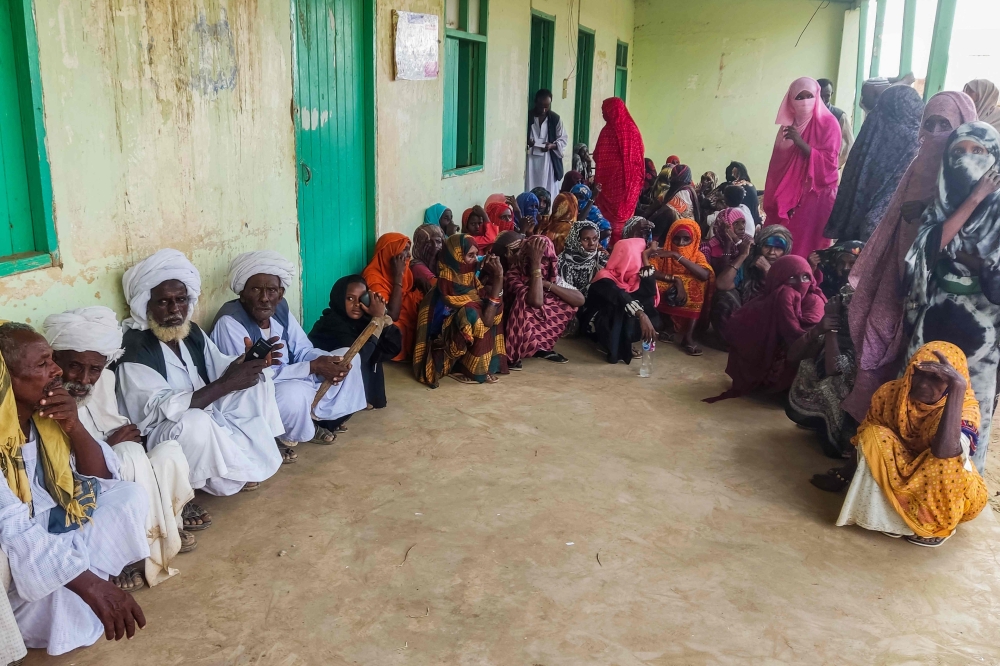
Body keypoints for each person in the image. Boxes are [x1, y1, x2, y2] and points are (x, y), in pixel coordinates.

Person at [0, 322, 148, 655]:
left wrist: (74, 425)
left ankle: (86, 574)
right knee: (58, 598)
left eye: (52, 359)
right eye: (41, 365)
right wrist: (90, 585)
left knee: (128, 495)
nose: (56, 370)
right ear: (6, 378)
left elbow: (99, 477)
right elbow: (12, 527)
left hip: (55, 527)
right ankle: (80, 582)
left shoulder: (45, 414)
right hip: (16, 549)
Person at [842, 91, 978, 425]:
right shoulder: (918, 164)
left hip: (945, 288)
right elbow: (893, 219)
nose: (934, 132)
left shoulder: (975, 176)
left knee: (924, 360)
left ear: (963, 126)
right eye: (928, 122)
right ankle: (870, 428)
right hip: (898, 271)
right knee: (878, 332)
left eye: (943, 124)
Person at [42, 307, 197, 592]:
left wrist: (121, 439)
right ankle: (128, 557)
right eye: (74, 366)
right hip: (74, 481)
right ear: (54, 360)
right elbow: (57, 465)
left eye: (95, 370)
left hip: (110, 461)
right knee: (128, 454)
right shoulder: (44, 398)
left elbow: (117, 427)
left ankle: (164, 531)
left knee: (168, 452)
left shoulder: (105, 382)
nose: (85, 379)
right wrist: (111, 446)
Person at [116, 249, 284, 496]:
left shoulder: (189, 331)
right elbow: (159, 411)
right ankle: (185, 495)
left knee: (257, 380)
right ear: (146, 305)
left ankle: (254, 455)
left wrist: (245, 363)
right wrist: (227, 383)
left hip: (205, 412)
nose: (175, 309)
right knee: (194, 421)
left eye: (181, 300)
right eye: (164, 302)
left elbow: (219, 364)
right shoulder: (135, 348)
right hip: (161, 435)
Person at [902, 121, 1000, 473]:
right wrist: (975, 199)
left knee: (972, 404)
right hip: (935, 318)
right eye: (958, 152)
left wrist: (955, 254)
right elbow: (929, 247)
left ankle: (956, 486)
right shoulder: (942, 203)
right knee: (918, 394)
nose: (966, 159)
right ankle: (906, 475)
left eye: (978, 151)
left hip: (985, 329)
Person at [836, 342, 987, 548]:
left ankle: (936, 526)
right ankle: (892, 518)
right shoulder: (890, 394)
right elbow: (865, 439)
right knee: (873, 435)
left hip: (947, 486)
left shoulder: (965, 409)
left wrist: (958, 391)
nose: (923, 384)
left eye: (936, 378)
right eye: (919, 373)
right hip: (902, 468)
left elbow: (945, 452)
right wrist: (842, 476)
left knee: (947, 460)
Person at [211, 251, 365, 449]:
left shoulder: (280, 309)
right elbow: (249, 379)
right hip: (253, 391)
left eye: (272, 291)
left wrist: (324, 362)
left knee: (347, 357)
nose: (265, 298)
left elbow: (302, 349)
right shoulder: (230, 322)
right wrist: (311, 367)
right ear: (242, 293)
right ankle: (281, 437)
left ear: (280, 294)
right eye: (256, 289)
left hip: (290, 376)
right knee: (294, 393)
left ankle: (309, 420)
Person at [705, 255, 825, 402]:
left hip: (797, 355)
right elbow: (737, 328)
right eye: (792, 278)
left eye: (806, 277)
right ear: (777, 279)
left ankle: (788, 389)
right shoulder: (767, 300)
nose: (800, 283)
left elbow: (797, 335)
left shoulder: (814, 301)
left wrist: (784, 301)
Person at [823, 85, 924, 242]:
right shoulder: (918, 139)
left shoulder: (876, 123)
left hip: (861, 208)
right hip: (890, 216)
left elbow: (854, 167)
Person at [413, 234, 507, 386]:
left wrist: (495, 280)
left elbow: (491, 313)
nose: (476, 259)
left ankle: (472, 365)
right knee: (471, 313)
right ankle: (460, 367)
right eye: (470, 255)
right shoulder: (445, 288)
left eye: (477, 254)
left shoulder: (471, 282)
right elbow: (485, 320)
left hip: (461, 341)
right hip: (442, 347)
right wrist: (499, 277)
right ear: (455, 258)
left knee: (492, 305)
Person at [763, 77, 841, 258]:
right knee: (781, 240)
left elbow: (830, 166)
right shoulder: (788, 125)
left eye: (809, 96)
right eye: (799, 97)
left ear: (817, 96)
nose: (805, 102)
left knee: (808, 246)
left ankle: (808, 282)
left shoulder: (829, 124)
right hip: (788, 195)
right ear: (790, 100)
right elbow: (777, 165)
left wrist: (800, 142)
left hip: (816, 196)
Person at [580, 238, 683, 364]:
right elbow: (620, 296)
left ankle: (624, 340)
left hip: (623, 311)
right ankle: (608, 343)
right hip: (598, 321)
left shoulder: (632, 277)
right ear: (627, 257)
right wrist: (641, 315)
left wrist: (645, 257)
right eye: (637, 257)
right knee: (621, 309)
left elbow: (650, 291)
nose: (637, 261)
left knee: (646, 302)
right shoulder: (604, 278)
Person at [785, 286, 858, 459]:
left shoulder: (861, 342)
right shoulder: (833, 330)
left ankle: (838, 441)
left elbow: (833, 369)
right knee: (808, 366)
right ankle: (819, 422)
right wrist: (819, 329)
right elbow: (792, 356)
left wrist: (832, 331)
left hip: (847, 416)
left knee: (833, 385)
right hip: (823, 393)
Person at [309, 275, 402, 410]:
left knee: (374, 346)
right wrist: (376, 320)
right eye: (350, 298)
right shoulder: (332, 323)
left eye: (362, 299)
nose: (357, 304)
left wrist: (383, 316)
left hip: (346, 370)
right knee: (366, 347)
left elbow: (393, 346)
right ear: (339, 298)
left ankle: (364, 397)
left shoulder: (361, 320)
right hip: (320, 379)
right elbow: (358, 357)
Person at [503, 236, 584, 368]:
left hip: (543, 288)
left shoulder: (552, 277)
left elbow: (579, 300)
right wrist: (535, 266)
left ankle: (541, 348)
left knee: (567, 301)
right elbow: (536, 301)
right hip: (512, 329)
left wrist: (546, 283)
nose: (541, 264)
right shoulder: (513, 275)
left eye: (544, 259)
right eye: (534, 258)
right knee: (524, 300)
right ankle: (519, 350)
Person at [710, 224, 793, 341]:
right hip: (744, 317)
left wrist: (768, 271)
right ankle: (730, 341)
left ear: (786, 251)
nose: (771, 252)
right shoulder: (750, 263)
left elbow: (785, 301)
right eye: (767, 246)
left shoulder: (790, 269)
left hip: (768, 324)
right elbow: (722, 284)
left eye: (778, 248)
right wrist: (743, 255)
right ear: (759, 246)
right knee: (724, 297)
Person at [653, 219, 712, 355]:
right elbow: (650, 271)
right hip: (670, 289)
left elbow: (704, 275)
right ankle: (668, 326)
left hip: (685, 294)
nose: (681, 243)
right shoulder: (661, 253)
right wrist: (676, 280)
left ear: (695, 239)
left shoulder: (697, 255)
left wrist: (676, 255)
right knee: (652, 283)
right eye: (677, 239)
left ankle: (688, 336)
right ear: (670, 238)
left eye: (686, 239)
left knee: (697, 284)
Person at [363, 233, 424, 363]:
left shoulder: (402, 269)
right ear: (390, 252)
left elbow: (406, 291)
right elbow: (392, 314)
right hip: (385, 315)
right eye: (404, 249)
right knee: (397, 327)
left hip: (398, 306)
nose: (408, 255)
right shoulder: (373, 277)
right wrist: (398, 278)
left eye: (409, 249)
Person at [592, 98, 646, 244]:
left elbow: (597, 155)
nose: (603, 115)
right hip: (631, 185)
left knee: (609, 217)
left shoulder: (607, 131)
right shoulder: (633, 131)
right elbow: (640, 159)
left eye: (605, 112)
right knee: (624, 217)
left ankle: (608, 245)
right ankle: (623, 244)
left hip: (609, 184)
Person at [526, 89, 568, 195]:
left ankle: (547, 210)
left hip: (548, 160)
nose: (544, 110)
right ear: (535, 102)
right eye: (541, 106)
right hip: (530, 159)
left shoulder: (555, 119)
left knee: (548, 189)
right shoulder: (528, 117)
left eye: (547, 106)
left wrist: (552, 145)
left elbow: (563, 138)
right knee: (530, 186)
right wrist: (527, 141)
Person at [558, 220, 608, 297]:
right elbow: (565, 291)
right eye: (586, 239)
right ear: (576, 240)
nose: (592, 243)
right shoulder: (563, 261)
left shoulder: (600, 257)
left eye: (595, 239)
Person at [817, 77, 855, 168]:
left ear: (831, 94)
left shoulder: (839, 116)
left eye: (826, 96)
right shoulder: (807, 114)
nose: (823, 99)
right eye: (819, 95)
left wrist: (835, 164)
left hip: (829, 168)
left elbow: (849, 144)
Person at [718, 161, 761, 227]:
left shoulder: (729, 186)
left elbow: (708, 200)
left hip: (737, 226)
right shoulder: (751, 186)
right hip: (756, 224)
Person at [571, 183, 611, 248]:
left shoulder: (593, 211)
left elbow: (607, 232)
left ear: (587, 198)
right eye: (575, 197)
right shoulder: (570, 209)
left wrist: (591, 242)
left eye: (581, 197)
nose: (577, 200)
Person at [410, 224, 445, 291]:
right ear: (419, 245)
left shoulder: (439, 262)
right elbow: (440, 288)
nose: (435, 246)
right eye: (428, 242)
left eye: (438, 241)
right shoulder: (417, 266)